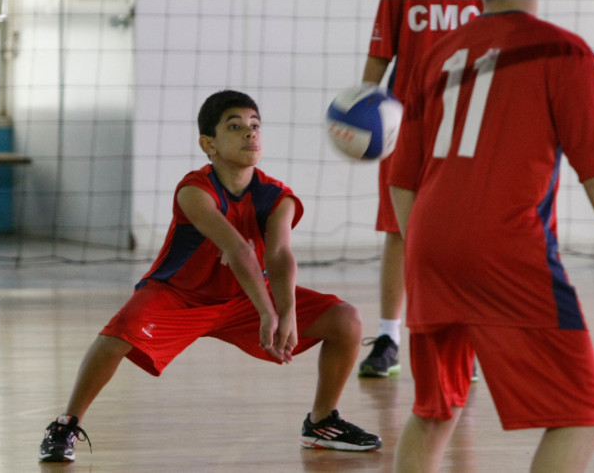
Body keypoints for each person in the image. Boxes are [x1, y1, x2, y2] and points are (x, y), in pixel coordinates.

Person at [386, 0, 594, 471]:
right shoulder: (564, 53)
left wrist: (421, 256)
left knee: (435, 411)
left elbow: (402, 180)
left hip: (427, 242)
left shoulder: (438, 55)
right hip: (506, 244)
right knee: (582, 415)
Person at [39, 90, 381, 462]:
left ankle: (320, 422)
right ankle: (66, 424)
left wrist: (288, 312)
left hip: (243, 297)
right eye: (235, 127)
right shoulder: (194, 190)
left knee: (346, 320)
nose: (250, 133)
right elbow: (238, 250)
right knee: (115, 338)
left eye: (255, 126)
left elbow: (280, 256)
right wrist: (269, 313)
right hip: (179, 296)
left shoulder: (276, 196)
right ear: (209, 144)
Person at [358, 0, 483, 378]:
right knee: (397, 230)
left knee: (464, 232)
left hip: (466, 122)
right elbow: (380, 52)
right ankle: (389, 336)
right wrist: (360, 110)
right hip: (405, 120)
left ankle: (461, 335)